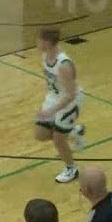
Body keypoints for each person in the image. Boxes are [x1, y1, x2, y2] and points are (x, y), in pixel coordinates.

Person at [36, 28, 87, 184]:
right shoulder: (45, 56)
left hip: (69, 101)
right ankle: (73, 132)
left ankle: (71, 169)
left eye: (39, 40)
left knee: (58, 139)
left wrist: (52, 110)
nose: (37, 42)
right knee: (41, 134)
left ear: (47, 43)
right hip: (54, 97)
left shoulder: (63, 64)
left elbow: (70, 94)